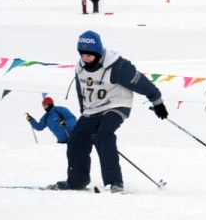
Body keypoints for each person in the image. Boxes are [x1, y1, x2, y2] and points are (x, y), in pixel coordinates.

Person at [48, 30, 168, 193]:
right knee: (76, 140)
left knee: (103, 135)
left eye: (90, 55)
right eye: (82, 55)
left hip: (116, 105)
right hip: (92, 110)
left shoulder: (117, 66)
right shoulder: (80, 67)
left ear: (98, 52)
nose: (86, 59)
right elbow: (81, 89)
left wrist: (157, 101)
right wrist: (84, 110)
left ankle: (114, 183)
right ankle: (77, 181)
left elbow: (141, 83)